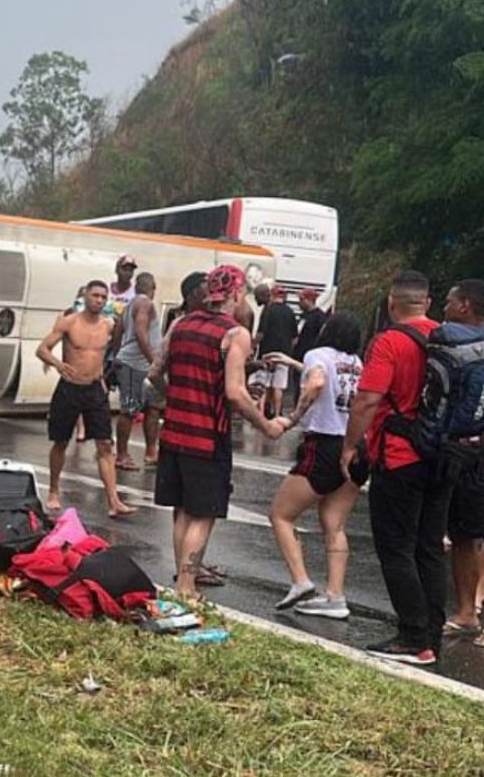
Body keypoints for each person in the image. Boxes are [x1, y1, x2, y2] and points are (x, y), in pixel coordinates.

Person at [154, 265, 285, 600]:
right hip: (207, 436)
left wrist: (176, 395)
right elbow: (235, 393)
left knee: (182, 509)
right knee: (204, 512)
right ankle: (186, 586)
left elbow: (155, 373)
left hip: (173, 434)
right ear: (238, 294)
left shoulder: (180, 324)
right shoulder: (234, 334)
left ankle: (182, 582)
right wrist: (266, 424)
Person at [341, 271, 445, 665]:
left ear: (390, 303)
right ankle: (432, 632)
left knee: (396, 547)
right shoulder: (447, 336)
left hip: (400, 456)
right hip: (441, 455)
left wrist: (351, 446)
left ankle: (413, 637)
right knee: (430, 547)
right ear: (428, 303)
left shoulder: (389, 342)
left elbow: (368, 400)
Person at [263, 313, 366, 618]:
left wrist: (293, 418)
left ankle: (300, 581)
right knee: (335, 525)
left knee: (281, 514)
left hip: (324, 444)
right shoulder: (357, 363)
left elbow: (318, 381)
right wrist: (292, 363)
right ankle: (335, 595)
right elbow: (330, 377)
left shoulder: (316, 355)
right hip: (356, 446)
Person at [36, 280, 133, 518]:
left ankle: (113, 499)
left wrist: (105, 375)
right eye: (95, 295)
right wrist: (58, 364)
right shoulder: (69, 322)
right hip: (69, 388)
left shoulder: (108, 325)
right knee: (60, 442)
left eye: (103, 297)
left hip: (94, 390)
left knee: (104, 445)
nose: (99, 300)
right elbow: (42, 349)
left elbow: (114, 350)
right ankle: (54, 490)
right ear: (86, 296)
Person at [436, 280, 484, 644]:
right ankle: (468, 611)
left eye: (450, 302)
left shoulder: (455, 344)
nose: (445, 308)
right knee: (466, 535)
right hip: (471, 449)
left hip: (465, 449)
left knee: (466, 535)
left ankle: (469, 611)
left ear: (465, 306)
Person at [114, 272, 161, 469]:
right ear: (153, 288)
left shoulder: (130, 305)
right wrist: (153, 361)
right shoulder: (144, 304)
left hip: (136, 364)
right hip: (136, 364)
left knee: (153, 408)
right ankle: (122, 455)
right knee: (129, 409)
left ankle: (151, 452)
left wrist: (117, 354)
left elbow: (118, 331)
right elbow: (140, 331)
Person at [254, 284, 298, 417]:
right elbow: (294, 338)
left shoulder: (268, 310)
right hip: (283, 355)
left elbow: (261, 333)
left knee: (263, 385)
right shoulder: (290, 312)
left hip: (267, 353)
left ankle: (260, 413)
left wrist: (254, 344)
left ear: (272, 295)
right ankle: (278, 414)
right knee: (278, 386)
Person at [293, 288, 327, 360]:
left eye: (302, 300)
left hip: (311, 356)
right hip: (298, 355)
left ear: (310, 300)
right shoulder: (303, 316)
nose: (299, 302)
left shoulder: (319, 317)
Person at [106, 254, 138, 320]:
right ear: (116, 270)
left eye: (130, 270)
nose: (127, 273)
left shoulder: (136, 292)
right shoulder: (106, 289)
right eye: (124, 269)